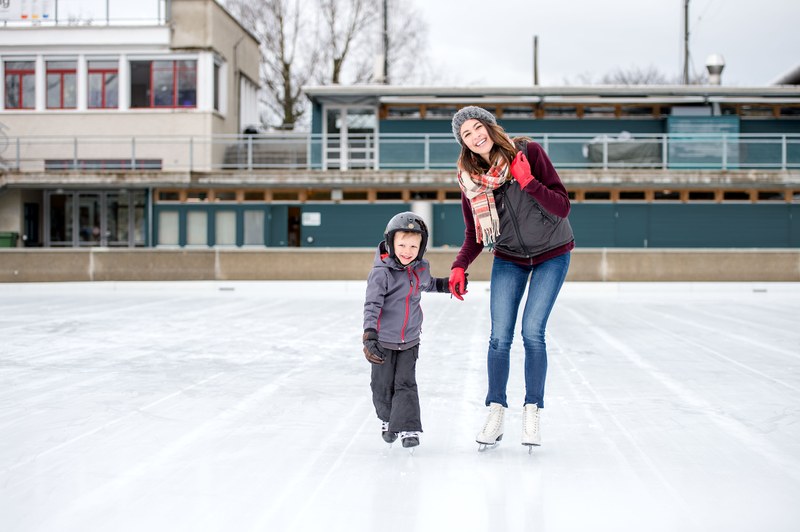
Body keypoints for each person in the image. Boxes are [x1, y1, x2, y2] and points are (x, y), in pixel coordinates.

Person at [448, 106, 574, 450]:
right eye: (467, 135)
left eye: (478, 127)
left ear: (489, 126)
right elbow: (475, 234)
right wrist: (460, 265)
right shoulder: (471, 181)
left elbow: (563, 206)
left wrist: (528, 182)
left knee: (532, 332)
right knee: (499, 337)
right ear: (464, 144)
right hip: (509, 257)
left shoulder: (528, 153)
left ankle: (532, 410)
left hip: (552, 251)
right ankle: (496, 411)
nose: (476, 136)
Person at [362, 211, 451, 449]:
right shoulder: (382, 273)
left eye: (414, 246)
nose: (407, 251)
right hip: (383, 340)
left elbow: (427, 284)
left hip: (410, 339)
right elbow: (372, 305)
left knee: (406, 384)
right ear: (391, 243)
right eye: (401, 244)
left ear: (421, 248)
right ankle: (387, 419)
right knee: (381, 385)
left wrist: (446, 284)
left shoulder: (420, 267)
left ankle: (409, 428)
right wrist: (369, 335)